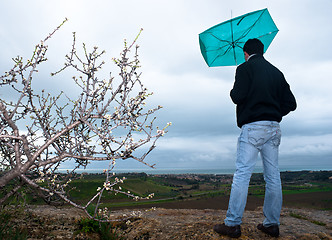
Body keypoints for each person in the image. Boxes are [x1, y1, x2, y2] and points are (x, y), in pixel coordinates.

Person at [213, 38, 297, 238]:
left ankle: (232, 224)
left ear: (245, 52)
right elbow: (291, 103)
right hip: (274, 128)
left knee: (242, 174)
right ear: (262, 51)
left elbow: (237, 96)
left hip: (253, 128)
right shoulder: (277, 72)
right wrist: (274, 111)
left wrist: (233, 91)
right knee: (273, 176)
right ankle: (272, 224)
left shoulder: (244, 69)